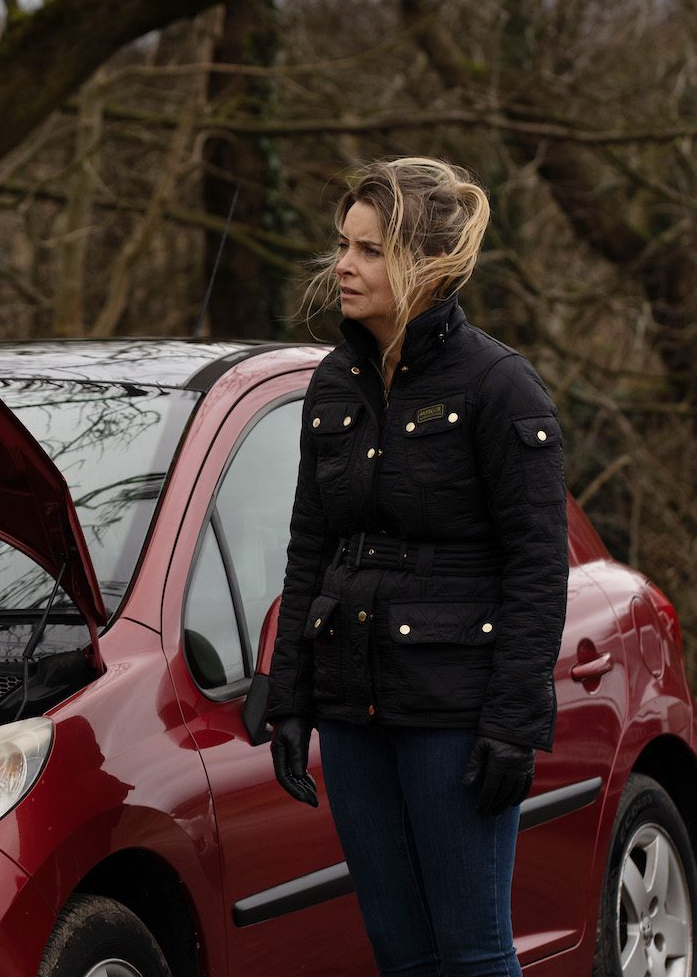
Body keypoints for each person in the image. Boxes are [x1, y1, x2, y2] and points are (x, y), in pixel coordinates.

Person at [264, 157, 568, 976]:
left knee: (472, 955)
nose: (344, 265)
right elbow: (308, 550)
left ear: (426, 267)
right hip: (352, 710)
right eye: (343, 245)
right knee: (401, 957)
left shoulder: (499, 386)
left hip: (453, 713)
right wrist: (289, 699)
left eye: (369, 250)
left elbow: (539, 567)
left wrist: (513, 725)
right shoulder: (332, 385)